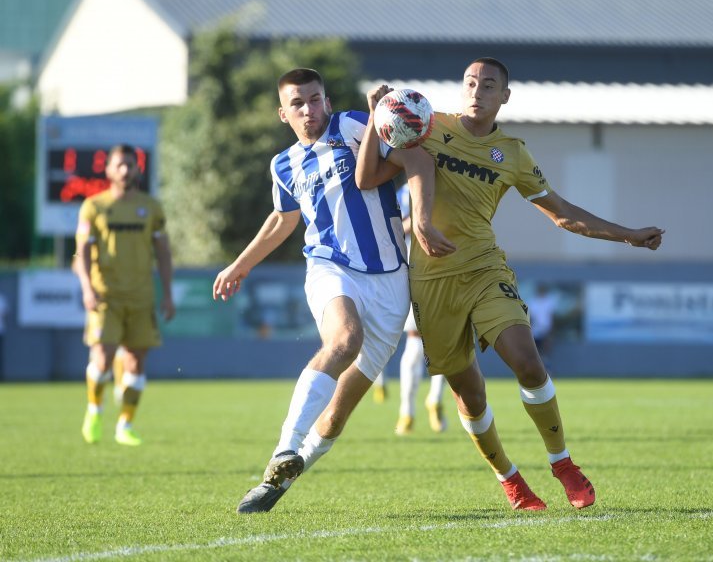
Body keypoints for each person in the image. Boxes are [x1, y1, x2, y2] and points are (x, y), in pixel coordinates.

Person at [358, 57, 664, 511]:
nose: (477, 90)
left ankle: (562, 463)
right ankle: (510, 479)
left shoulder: (514, 153)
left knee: (528, 361)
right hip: (430, 280)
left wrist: (628, 235)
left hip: (484, 268)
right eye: (470, 82)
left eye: (488, 84)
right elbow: (366, 178)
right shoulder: (424, 125)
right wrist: (375, 116)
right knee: (470, 394)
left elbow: (563, 214)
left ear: (505, 96)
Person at [212, 68, 453, 514]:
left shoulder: (356, 124)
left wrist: (420, 219)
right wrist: (239, 265)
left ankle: (277, 482)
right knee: (343, 340)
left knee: (338, 413)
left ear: (327, 99)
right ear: (283, 114)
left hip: (390, 283)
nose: (309, 109)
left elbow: (416, 161)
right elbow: (283, 219)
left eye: (315, 99)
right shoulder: (282, 164)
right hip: (329, 266)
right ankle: (285, 447)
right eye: (298, 104)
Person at [73, 143, 176, 446]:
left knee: (135, 362)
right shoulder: (93, 206)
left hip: (141, 295)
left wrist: (167, 294)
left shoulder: (151, 207)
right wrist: (87, 290)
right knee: (102, 358)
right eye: (118, 165)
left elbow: (163, 252)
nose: (124, 170)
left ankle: (125, 424)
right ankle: (94, 410)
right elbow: (82, 252)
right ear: (108, 170)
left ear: (137, 168)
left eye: (129, 165)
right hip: (106, 296)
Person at [393, 182, 447, 435]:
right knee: (420, 342)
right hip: (418, 268)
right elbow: (396, 227)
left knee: (445, 340)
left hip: (442, 268)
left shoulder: (447, 183)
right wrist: (421, 224)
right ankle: (413, 408)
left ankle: (425, 404)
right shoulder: (407, 191)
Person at [527, 283, 558, 368]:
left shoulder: (549, 302)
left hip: (546, 330)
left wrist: (552, 331)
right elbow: (529, 317)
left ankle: (547, 371)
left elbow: (552, 317)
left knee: (545, 352)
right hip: (534, 331)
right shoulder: (532, 301)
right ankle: (536, 370)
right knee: (535, 352)